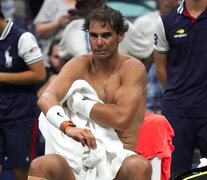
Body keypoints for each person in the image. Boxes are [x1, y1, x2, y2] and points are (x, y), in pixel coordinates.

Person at [27, 5, 152, 180]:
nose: (99, 42)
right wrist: (68, 127)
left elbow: (121, 119)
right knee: (40, 165)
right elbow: (46, 99)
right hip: (76, 158)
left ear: (121, 35)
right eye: (93, 35)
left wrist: (77, 103)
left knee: (140, 165)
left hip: (118, 157)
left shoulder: (132, 68)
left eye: (106, 35)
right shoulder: (78, 65)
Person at [153, 0, 207, 177]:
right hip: (177, 109)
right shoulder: (166, 21)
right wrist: (178, 95)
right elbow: (160, 67)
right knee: (174, 171)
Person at [0, 6, 46, 180]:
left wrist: (2, 77)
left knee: (23, 169)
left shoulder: (22, 38)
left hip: (20, 116)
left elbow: (39, 74)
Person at [59, 0, 153, 70]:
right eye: (84, 4)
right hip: (81, 93)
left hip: (117, 91)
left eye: (95, 2)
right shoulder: (72, 28)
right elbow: (62, 58)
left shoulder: (120, 25)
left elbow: (149, 53)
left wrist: (136, 80)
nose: (91, 7)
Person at [133, 0, 179, 114]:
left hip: (176, 74)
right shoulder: (144, 22)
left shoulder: (187, 22)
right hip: (147, 74)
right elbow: (134, 58)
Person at [33, 0, 77, 71]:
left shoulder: (90, 3)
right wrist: (58, 23)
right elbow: (39, 31)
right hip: (52, 64)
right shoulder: (52, 2)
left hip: (79, 62)